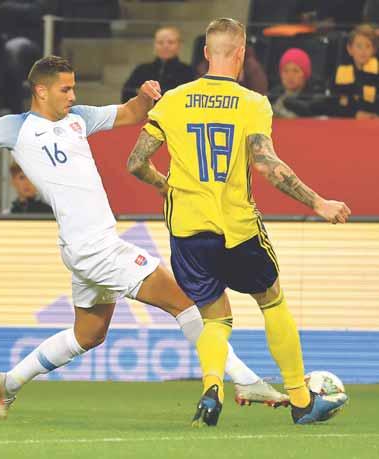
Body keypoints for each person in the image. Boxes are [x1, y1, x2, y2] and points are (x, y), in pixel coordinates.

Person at [0, 55, 288, 422]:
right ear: (40, 92)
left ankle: (7, 383)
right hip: (96, 248)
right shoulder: (16, 128)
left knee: (89, 334)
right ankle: (246, 381)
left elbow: (130, 114)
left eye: (73, 88)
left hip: (86, 246)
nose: (71, 95)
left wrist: (145, 96)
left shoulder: (79, 119)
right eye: (64, 89)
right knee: (185, 302)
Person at [127, 18, 350, 426]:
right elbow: (266, 165)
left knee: (216, 318)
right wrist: (317, 201)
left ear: (206, 54)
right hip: (237, 226)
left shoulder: (172, 101)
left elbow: (136, 162)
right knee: (272, 300)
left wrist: (166, 187)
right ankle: (301, 401)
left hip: (188, 232)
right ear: (242, 54)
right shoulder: (252, 102)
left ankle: (211, 391)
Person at [121, 26, 196, 103]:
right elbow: (127, 93)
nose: (165, 46)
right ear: (154, 45)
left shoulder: (188, 71)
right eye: (160, 42)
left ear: (179, 45)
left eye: (171, 42)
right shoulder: (141, 70)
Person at [333, 24, 379, 119]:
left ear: (374, 50)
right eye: (359, 46)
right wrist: (355, 114)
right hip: (348, 121)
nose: (363, 51)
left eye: (368, 46)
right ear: (350, 49)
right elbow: (335, 104)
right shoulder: (340, 72)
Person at [269, 48, 315, 118]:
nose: (290, 76)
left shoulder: (312, 102)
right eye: (285, 71)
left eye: (295, 71)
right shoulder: (271, 97)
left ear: (305, 75)